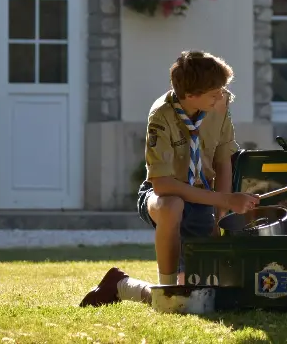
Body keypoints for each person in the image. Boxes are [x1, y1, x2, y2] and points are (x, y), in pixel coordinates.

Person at [79, 50, 260, 308]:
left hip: (204, 194)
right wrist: (225, 199)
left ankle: (121, 285)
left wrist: (221, 217)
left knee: (196, 298)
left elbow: (223, 162)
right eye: (214, 93)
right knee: (172, 204)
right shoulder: (162, 115)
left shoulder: (220, 104)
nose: (222, 97)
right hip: (163, 195)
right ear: (190, 95)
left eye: (223, 90)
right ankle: (166, 287)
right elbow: (162, 184)